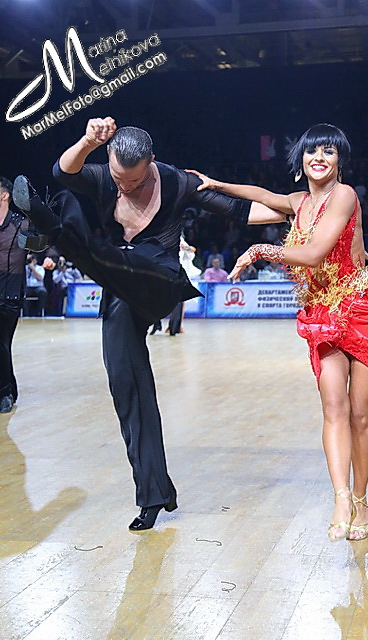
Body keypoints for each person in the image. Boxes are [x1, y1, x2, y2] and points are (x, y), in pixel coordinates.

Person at [12, 116, 278, 532]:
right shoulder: (105, 177)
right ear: (110, 160)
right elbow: (63, 172)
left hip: (158, 278)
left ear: (151, 162)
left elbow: (241, 211)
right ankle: (155, 493)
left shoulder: (178, 182)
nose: (124, 187)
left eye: (133, 181)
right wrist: (87, 141)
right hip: (119, 289)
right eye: (118, 177)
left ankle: (53, 229)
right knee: (128, 388)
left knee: (110, 254)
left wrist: (305, 209)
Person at [188, 123, 368, 542]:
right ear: (300, 160)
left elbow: (313, 253)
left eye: (328, 151)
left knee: (361, 415)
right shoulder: (298, 202)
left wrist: (260, 250)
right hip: (322, 313)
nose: (319, 158)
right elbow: (259, 194)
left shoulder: (344, 196)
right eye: (312, 151)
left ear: (340, 161)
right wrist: (215, 183)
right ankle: (340, 497)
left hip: (361, 310)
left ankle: (361, 499)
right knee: (333, 408)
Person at [0, 177, 28, 413]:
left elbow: (47, 242)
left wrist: (49, 257)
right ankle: (8, 390)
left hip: (11, 294)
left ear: (4, 195)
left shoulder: (21, 224)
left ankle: (6, 391)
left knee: (2, 342)